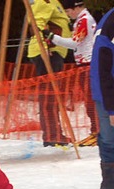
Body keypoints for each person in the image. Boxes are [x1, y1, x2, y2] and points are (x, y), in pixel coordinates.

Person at [43, 0, 98, 146]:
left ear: (76, 7)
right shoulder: (82, 19)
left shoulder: (84, 20)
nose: (67, 14)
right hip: (85, 63)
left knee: (91, 100)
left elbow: (75, 42)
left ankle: (98, 132)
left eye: (68, 11)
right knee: (89, 100)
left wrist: (52, 37)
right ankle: (97, 131)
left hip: (88, 64)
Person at [28, 0, 72, 147]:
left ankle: (54, 133)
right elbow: (36, 24)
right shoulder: (44, 1)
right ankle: (52, 135)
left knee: (53, 95)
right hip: (49, 51)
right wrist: (43, 46)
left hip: (55, 51)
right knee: (49, 95)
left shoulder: (54, 2)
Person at [90, 7, 114, 189]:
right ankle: (108, 182)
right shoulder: (110, 24)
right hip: (107, 91)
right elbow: (103, 70)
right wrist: (111, 108)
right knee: (108, 138)